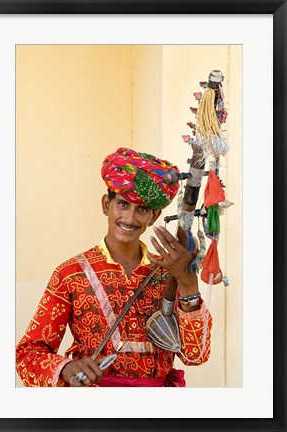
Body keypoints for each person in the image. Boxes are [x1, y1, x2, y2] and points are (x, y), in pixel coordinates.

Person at [16, 147, 212, 387]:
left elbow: (196, 356)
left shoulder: (170, 271)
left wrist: (188, 281)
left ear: (154, 216)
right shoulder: (70, 274)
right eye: (122, 204)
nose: (130, 218)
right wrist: (66, 368)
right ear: (106, 204)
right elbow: (28, 354)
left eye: (142, 209)